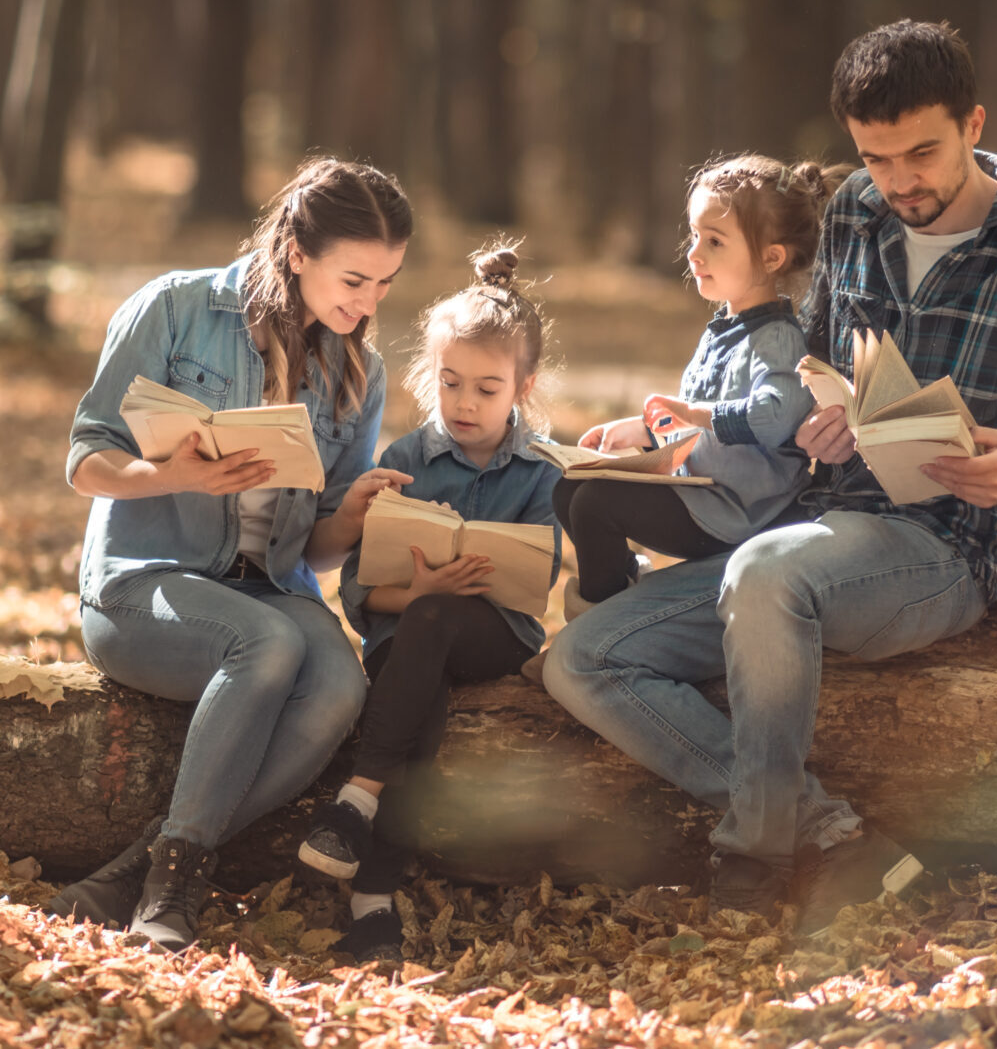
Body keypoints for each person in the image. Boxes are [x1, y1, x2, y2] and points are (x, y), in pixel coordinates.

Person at [543, 19, 997, 931]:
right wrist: (823, 421)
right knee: (582, 659)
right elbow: (821, 370)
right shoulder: (855, 215)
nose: (901, 181)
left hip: (947, 547)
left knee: (768, 574)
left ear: (974, 124)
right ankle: (831, 832)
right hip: (808, 527)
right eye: (877, 156)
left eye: (923, 153)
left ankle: (752, 859)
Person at [50, 157, 414, 951]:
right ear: (296, 253)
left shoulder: (359, 369)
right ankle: (172, 887)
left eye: (385, 284)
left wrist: (350, 516)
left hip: (269, 590)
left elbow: (313, 552)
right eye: (355, 280)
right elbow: (85, 460)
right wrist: (169, 473)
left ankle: (143, 865)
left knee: (338, 684)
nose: (368, 303)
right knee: (270, 641)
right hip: (143, 589)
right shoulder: (175, 308)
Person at [298, 244, 561, 963]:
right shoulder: (407, 461)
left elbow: (533, 588)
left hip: (492, 633)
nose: (466, 404)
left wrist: (443, 595)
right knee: (425, 697)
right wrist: (413, 591)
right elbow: (358, 593)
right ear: (429, 378)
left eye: (486, 388)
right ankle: (373, 901)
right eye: (450, 384)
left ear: (522, 388)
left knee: (439, 619)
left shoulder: (543, 471)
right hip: (406, 632)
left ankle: (355, 800)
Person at [553, 154, 843, 619]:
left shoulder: (779, 339)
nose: (694, 253)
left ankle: (600, 630)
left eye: (715, 241)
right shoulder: (723, 331)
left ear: (771, 257)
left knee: (595, 505)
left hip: (743, 512)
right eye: (694, 235)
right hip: (703, 491)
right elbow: (699, 425)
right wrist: (644, 432)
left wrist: (693, 414)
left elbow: (775, 415)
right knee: (569, 490)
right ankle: (623, 590)